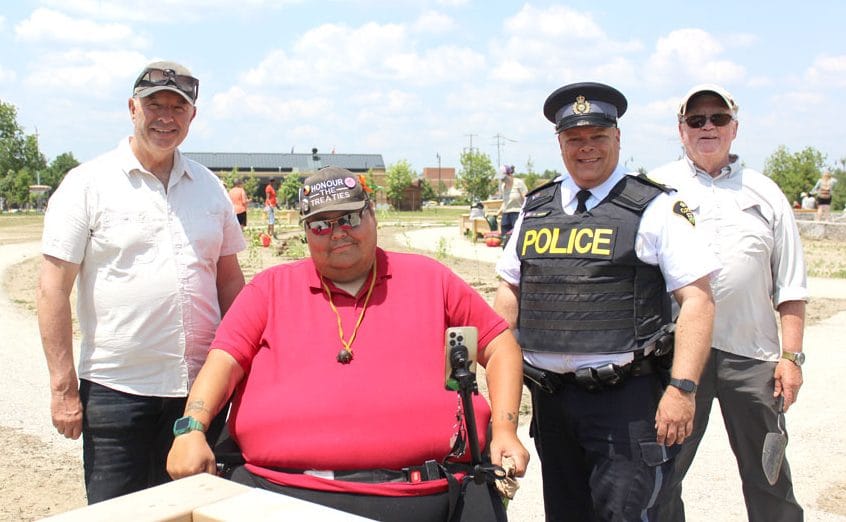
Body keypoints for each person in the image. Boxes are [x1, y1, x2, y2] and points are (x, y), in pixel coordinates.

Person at [167, 166, 529, 521]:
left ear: (373, 215)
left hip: (426, 494)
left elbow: (500, 345)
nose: (337, 233)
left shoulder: (431, 279)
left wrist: (505, 430)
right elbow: (224, 360)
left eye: (349, 218)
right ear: (306, 232)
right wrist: (191, 429)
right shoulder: (269, 289)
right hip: (278, 496)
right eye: (321, 225)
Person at [493, 82, 718, 521]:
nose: (587, 148)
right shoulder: (534, 209)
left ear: (617, 138)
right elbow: (509, 293)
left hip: (627, 403)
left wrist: (683, 389)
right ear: (560, 143)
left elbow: (698, 301)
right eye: (575, 139)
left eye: (598, 137)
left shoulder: (655, 207)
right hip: (552, 401)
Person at [35, 60, 246, 504]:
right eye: (154, 105)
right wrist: (63, 389)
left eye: (178, 107)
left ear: (193, 117)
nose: (165, 117)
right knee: (121, 512)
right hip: (117, 394)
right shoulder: (86, 185)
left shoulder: (210, 189)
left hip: (199, 396)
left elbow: (230, 284)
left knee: (197, 509)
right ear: (132, 108)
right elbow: (52, 288)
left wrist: (248, 367)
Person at [650, 84, 807, 522]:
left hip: (752, 357)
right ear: (680, 130)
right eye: (695, 119)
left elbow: (791, 285)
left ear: (734, 128)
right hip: (675, 358)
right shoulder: (658, 190)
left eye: (717, 118)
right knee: (660, 473)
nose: (707, 127)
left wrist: (791, 357)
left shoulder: (766, 193)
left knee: (769, 475)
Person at [498, 165, 527, 246]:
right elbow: (505, 201)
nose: (502, 179)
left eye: (503, 177)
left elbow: (526, 198)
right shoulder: (503, 186)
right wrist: (498, 212)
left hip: (517, 213)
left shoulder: (519, 183)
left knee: (516, 238)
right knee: (505, 238)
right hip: (506, 214)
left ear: (509, 174)